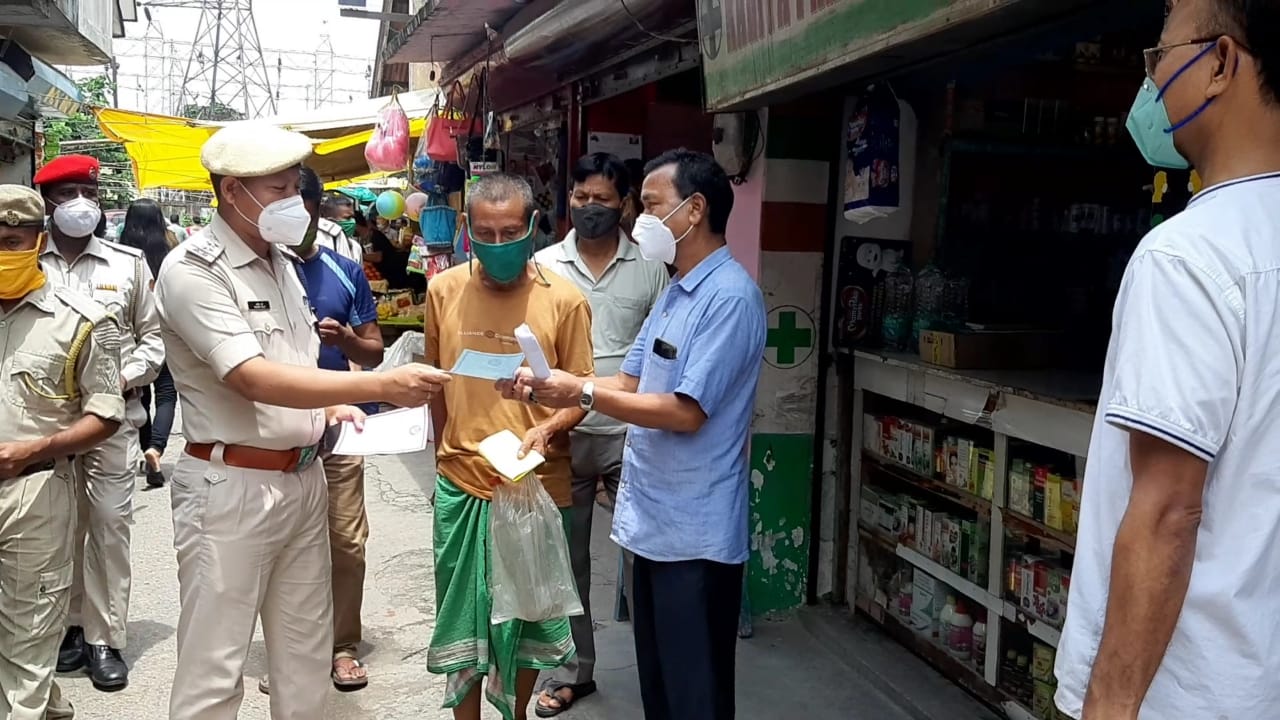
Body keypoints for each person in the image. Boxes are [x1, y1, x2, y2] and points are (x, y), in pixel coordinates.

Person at [154, 122, 449, 720]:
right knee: (215, 670)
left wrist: (329, 405)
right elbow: (253, 377)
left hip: (303, 479)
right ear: (232, 191)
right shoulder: (194, 270)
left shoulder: (282, 262)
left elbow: (296, 363)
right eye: (281, 188)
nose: (295, 201)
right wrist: (376, 385)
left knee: (305, 659)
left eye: (296, 187)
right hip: (231, 487)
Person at [1055, 2, 1280, 719]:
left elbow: (1167, 511)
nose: (1150, 82)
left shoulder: (1190, 255)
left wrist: (1111, 706)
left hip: (1183, 693)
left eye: (1159, 56)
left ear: (1219, 62)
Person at [507, 149, 766, 720]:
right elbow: (628, 376)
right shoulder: (676, 289)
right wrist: (553, 387)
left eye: (650, 206)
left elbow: (684, 411)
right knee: (661, 682)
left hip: (695, 534)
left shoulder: (729, 298)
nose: (638, 220)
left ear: (694, 210)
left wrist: (582, 393)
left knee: (695, 689)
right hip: (653, 524)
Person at [423, 173, 594, 720]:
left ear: (533, 228)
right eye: (487, 233)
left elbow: (582, 395)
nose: (499, 245)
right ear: (467, 229)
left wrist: (547, 429)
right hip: (462, 485)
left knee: (529, 623)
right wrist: (442, 460)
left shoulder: (564, 300)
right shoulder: (443, 290)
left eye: (511, 232)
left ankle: (515, 715)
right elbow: (436, 386)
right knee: (464, 625)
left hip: (536, 488)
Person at [531, 153, 669, 717]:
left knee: (648, 558)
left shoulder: (651, 267)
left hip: (634, 433)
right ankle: (573, 673)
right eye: (581, 198)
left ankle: (662, 673)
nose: (590, 208)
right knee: (568, 561)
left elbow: (665, 347)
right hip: (563, 433)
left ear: (625, 204)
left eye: (603, 200)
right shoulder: (543, 265)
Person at [36, 154, 165, 692]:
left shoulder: (127, 264)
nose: (81, 202)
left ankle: (103, 637)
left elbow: (154, 340)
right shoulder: (26, 262)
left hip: (112, 424)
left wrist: (117, 380)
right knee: (56, 528)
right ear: (47, 202)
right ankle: (67, 627)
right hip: (44, 425)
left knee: (110, 528)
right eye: (68, 193)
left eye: (88, 190)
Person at [0, 184, 125, 720]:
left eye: (11, 240)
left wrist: (37, 448)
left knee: (28, 633)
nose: (0, 251)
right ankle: (48, 705)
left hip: (36, 493)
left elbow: (105, 414)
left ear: (38, 240)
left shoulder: (82, 319)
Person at [257, 167, 383, 695]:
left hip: (339, 429)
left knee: (345, 540)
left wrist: (348, 340)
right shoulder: (258, 271)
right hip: (276, 431)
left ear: (314, 208)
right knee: (281, 544)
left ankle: (343, 646)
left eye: (296, 201)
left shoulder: (343, 269)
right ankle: (289, 652)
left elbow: (373, 350)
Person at [120, 197, 179, 488]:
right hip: (165, 331)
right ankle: (155, 448)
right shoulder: (171, 251)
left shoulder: (120, 252)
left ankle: (145, 449)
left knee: (138, 394)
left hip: (131, 336)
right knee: (167, 394)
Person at [317, 192, 365, 263]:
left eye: (352, 217)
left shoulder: (356, 247)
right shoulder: (318, 245)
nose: (352, 222)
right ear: (328, 219)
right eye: (347, 218)